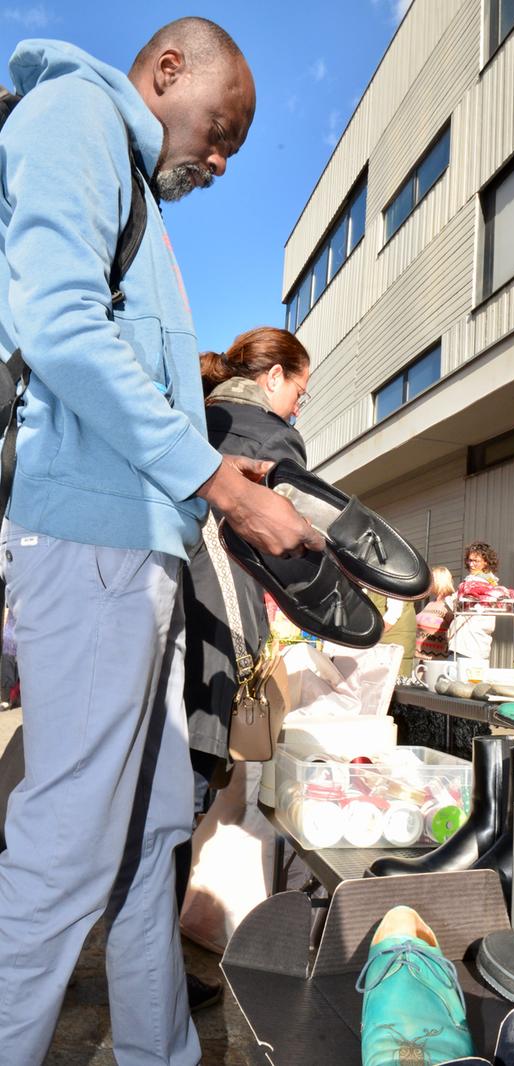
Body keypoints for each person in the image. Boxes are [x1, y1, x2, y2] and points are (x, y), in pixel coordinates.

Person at [0, 19, 322, 1066]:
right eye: (220, 129)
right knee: (63, 855)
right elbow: (57, 324)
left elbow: (117, 353)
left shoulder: (133, 179)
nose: (223, 159)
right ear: (167, 70)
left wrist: (221, 472)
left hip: (134, 548)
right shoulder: (77, 113)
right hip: (92, 543)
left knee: (146, 849)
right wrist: (224, 487)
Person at [181, 326, 310, 816]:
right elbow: (284, 548)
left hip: (155, 618)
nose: (298, 406)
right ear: (274, 377)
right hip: (216, 633)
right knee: (181, 811)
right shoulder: (274, 437)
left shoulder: (192, 418)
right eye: (300, 391)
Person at [448, 542, 500, 662]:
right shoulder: (491, 583)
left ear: (486, 562)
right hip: (476, 644)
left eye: (476, 561)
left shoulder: (475, 583)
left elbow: (451, 604)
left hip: (467, 643)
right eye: (469, 560)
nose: (471, 564)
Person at [369, 592, 416, 677]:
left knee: (392, 683)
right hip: (389, 640)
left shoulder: (390, 579)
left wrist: (372, 634)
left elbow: (394, 613)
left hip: (391, 641)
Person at [414, 565, 455, 660]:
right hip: (419, 657)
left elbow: (454, 630)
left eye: (431, 580)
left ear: (438, 581)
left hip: (436, 660)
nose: (429, 583)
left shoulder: (448, 604)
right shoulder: (431, 603)